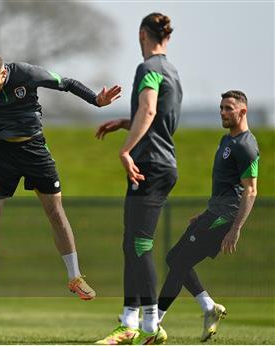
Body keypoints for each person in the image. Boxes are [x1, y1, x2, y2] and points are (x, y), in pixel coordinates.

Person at [0, 52, 122, 316]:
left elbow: (67, 82)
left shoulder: (28, 74)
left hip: (35, 149)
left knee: (56, 212)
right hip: (2, 154)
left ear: (4, 72)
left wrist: (96, 100)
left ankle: (74, 277)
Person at [95, 13, 182, 344]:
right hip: (160, 162)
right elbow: (156, 116)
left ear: (143, 34)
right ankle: (130, 321)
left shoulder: (148, 69)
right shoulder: (170, 69)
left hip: (150, 163)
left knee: (140, 244)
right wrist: (124, 123)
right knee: (131, 243)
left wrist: (125, 150)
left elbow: (148, 111)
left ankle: (149, 325)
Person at [156, 90, 258, 342]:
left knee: (179, 262)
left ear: (242, 111)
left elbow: (251, 190)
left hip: (226, 215)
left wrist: (235, 229)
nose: (222, 112)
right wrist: (205, 213)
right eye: (221, 108)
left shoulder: (246, 146)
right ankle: (209, 308)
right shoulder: (227, 141)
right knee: (174, 258)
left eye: (228, 108)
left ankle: (154, 321)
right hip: (216, 211)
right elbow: (227, 186)